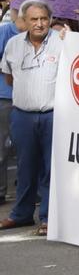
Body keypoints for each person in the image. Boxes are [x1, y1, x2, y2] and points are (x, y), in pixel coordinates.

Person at [0, 1, 61, 235]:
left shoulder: (62, 41)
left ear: (50, 19)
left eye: (44, 18)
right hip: (22, 115)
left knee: (49, 167)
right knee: (26, 167)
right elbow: (9, 78)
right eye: (34, 19)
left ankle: (47, 217)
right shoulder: (13, 44)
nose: (39, 24)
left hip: (52, 115)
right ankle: (21, 215)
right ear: (24, 21)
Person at [0, 12, 23, 204]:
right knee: (2, 148)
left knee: (27, 149)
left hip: (29, 101)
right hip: (6, 97)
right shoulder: (6, 31)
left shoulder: (48, 37)